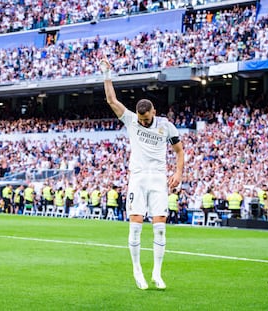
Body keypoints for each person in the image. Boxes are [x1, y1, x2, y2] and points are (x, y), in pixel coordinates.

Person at [100, 56, 184, 290]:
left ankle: (157, 273)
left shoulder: (165, 125)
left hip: (158, 178)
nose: (143, 122)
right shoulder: (131, 121)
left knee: (160, 225)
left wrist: (179, 173)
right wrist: (106, 73)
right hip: (137, 178)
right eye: (140, 119)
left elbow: (179, 151)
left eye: (146, 119)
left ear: (153, 112)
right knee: (136, 223)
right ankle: (137, 270)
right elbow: (111, 100)